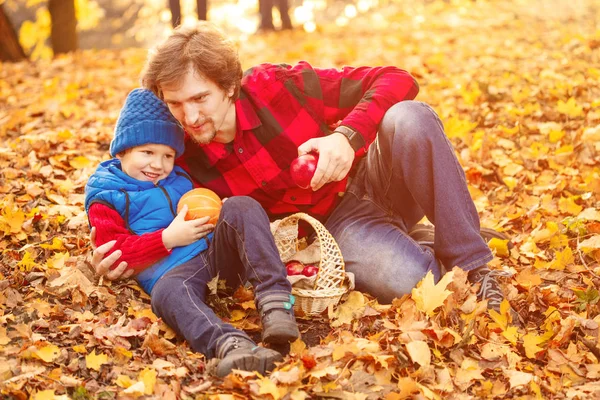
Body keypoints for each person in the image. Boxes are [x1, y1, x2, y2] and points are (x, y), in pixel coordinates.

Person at [90, 22, 514, 318]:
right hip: (334, 228)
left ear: (230, 86)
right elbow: (126, 187)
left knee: (410, 117)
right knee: (409, 280)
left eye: (200, 98)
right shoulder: (177, 153)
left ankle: (475, 267)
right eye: (176, 103)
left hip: (371, 176)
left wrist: (346, 137)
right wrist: (116, 250)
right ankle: (420, 238)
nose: (190, 116)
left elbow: (396, 78)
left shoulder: (277, 86)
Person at [85, 88, 300, 377]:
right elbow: (114, 251)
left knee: (241, 206)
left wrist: (218, 211)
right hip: (174, 274)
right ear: (122, 150)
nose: (158, 165)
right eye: (146, 152)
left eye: (168, 155)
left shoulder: (179, 177)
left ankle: (275, 302)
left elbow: (208, 204)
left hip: (214, 258)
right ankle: (229, 344)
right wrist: (166, 239)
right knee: (166, 294)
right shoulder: (106, 195)